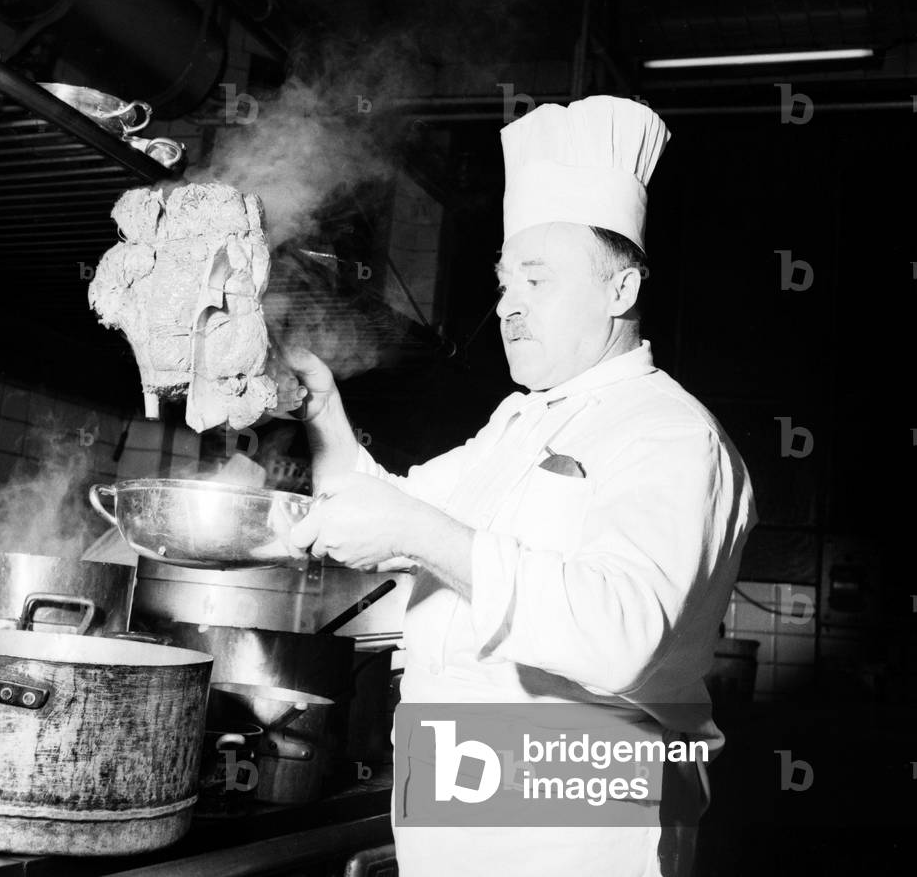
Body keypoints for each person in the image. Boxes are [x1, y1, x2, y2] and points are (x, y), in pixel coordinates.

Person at [280, 95, 756, 876]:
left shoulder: (668, 433)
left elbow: (620, 634)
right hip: (458, 814)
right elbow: (384, 510)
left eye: (536, 280)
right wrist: (321, 405)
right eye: (504, 283)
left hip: (579, 830)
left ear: (620, 290)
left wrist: (410, 530)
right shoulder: (517, 423)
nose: (506, 306)